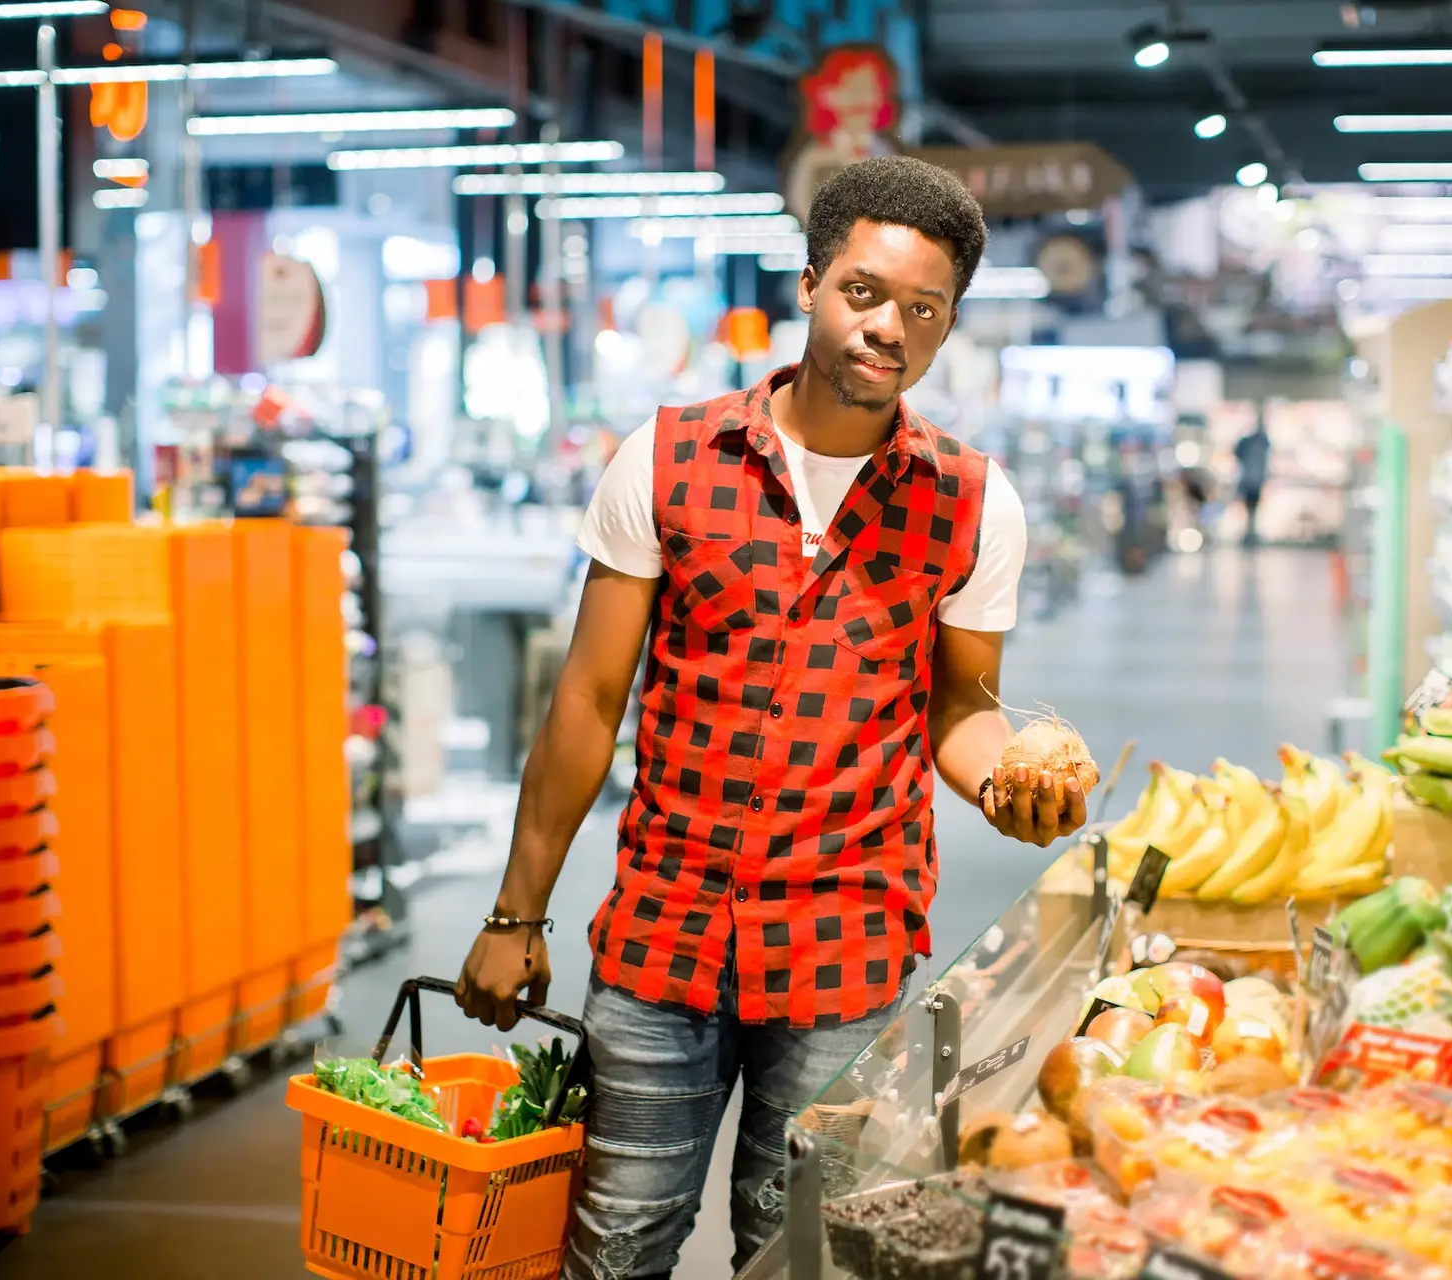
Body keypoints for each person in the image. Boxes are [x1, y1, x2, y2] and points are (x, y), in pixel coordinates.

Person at [453, 155, 1085, 1280]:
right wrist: (517, 914)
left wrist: (1007, 781)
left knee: (801, 1256)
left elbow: (962, 712)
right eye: (864, 290)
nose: (889, 324)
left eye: (922, 308)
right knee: (615, 1246)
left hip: (849, 948)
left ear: (946, 328)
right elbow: (589, 702)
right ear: (808, 285)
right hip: (663, 938)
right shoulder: (668, 457)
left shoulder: (975, 501)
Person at [1233, 414, 1272, 546]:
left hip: (1253, 480)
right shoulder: (1256, 442)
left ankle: (1250, 532)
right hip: (1251, 480)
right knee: (1249, 508)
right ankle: (1249, 532)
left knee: (1252, 509)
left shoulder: (1262, 442)